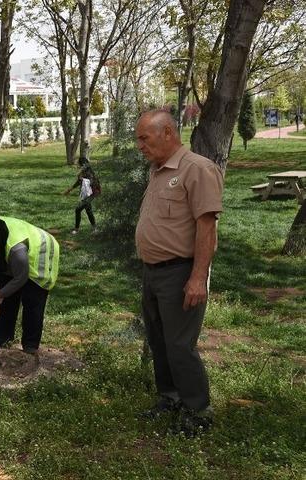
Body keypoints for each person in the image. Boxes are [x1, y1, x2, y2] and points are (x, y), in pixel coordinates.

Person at [134, 110, 223, 436]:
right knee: (159, 342)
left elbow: (207, 228)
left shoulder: (197, 169)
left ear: (168, 133)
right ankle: (169, 399)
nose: (139, 145)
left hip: (179, 273)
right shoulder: (158, 172)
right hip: (153, 273)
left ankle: (198, 411)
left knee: (180, 345)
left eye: (145, 138)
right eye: (138, 138)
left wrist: (198, 277)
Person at [0, 216, 60, 354]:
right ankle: (2, 340)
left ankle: (30, 347)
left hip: (41, 253)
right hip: (17, 255)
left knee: (33, 301)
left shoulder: (16, 250)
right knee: (8, 299)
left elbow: (21, 278)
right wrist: (0, 292)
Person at [63, 157, 99, 234]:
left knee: (78, 209)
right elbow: (78, 182)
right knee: (88, 210)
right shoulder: (83, 171)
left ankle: (77, 229)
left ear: (82, 164)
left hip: (91, 193)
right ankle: (94, 228)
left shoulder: (89, 172)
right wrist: (69, 190)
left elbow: (91, 182)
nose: (77, 165)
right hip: (86, 194)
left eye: (78, 163)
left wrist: (83, 179)